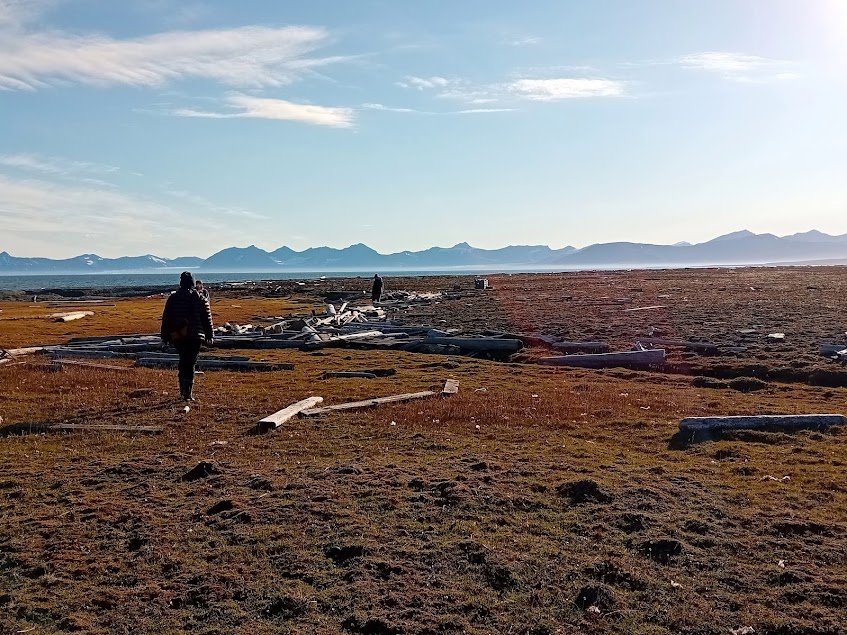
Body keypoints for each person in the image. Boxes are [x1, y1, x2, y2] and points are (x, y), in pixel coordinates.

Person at [160, 271, 213, 400]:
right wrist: (209, 334)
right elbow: (207, 317)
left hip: (178, 336)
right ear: (193, 283)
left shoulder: (173, 298)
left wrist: (165, 336)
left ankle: (183, 390)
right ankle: (187, 392)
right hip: (196, 336)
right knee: (190, 362)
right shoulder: (200, 298)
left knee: (183, 361)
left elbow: (166, 318)